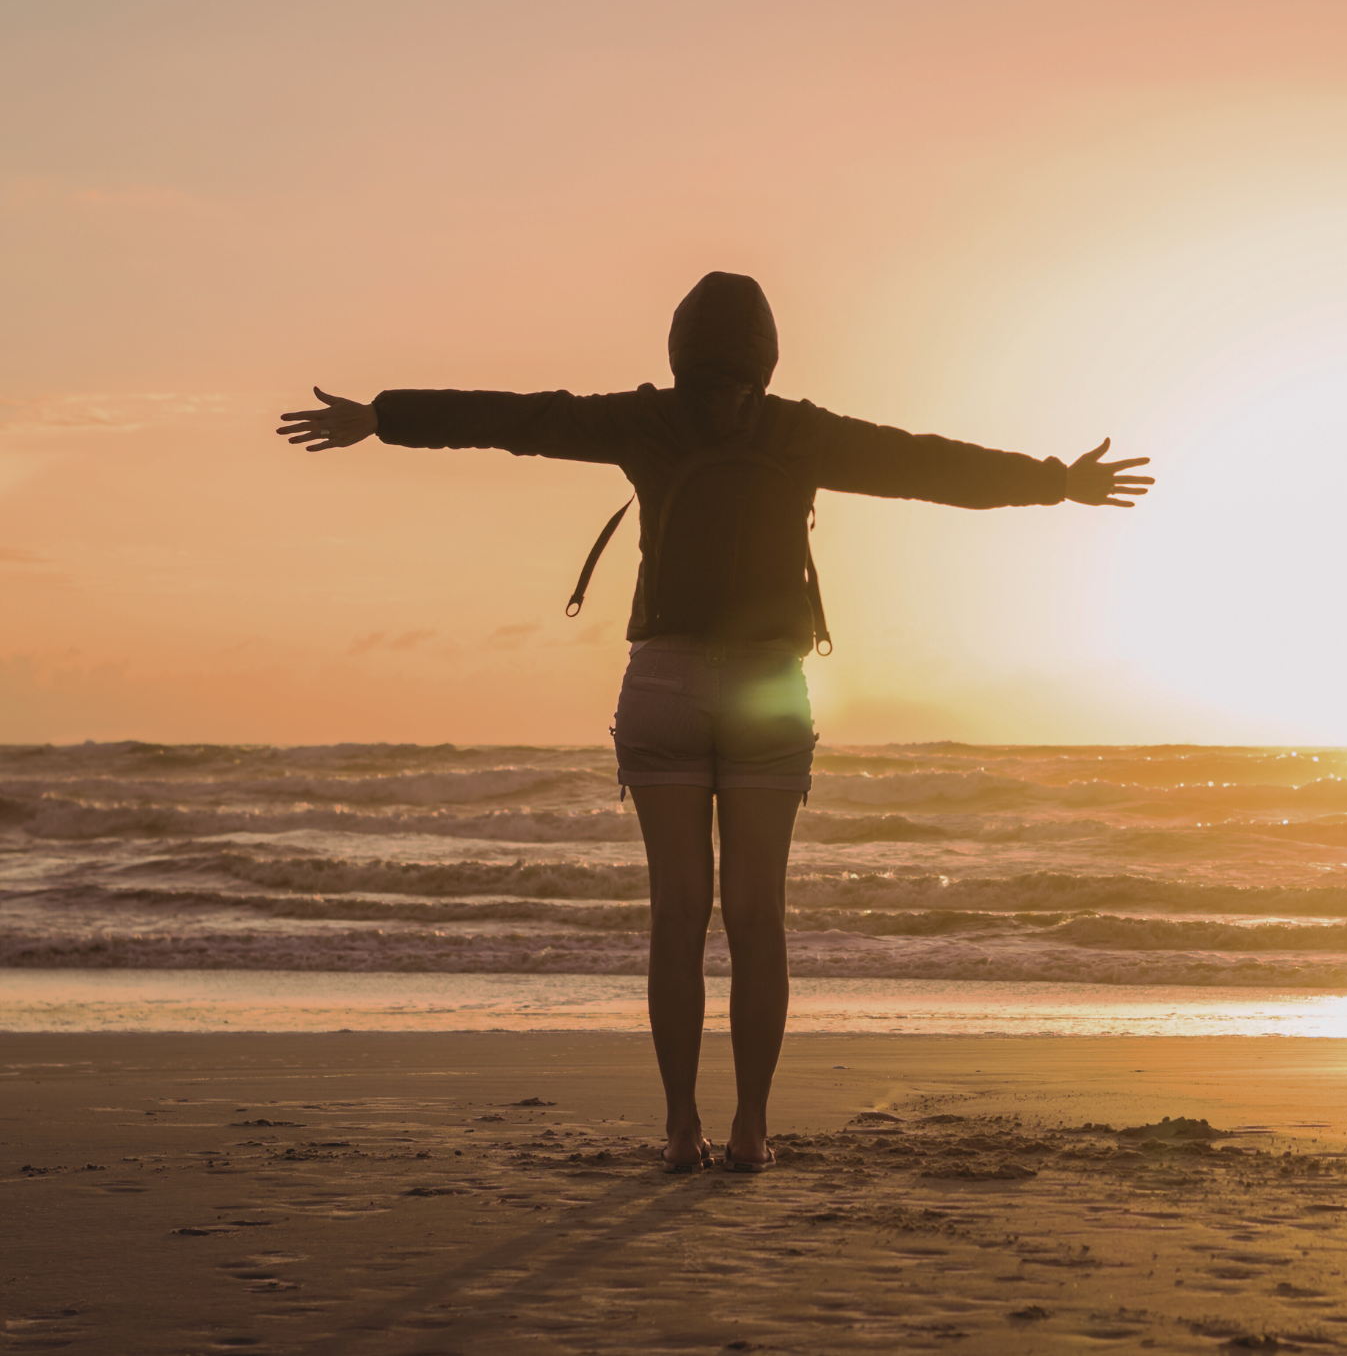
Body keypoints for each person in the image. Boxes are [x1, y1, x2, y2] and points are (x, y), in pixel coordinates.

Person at [275, 271, 1152, 1174]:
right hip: (771, 684)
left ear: (678, 348)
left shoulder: (642, 421)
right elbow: (927, 464)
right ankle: (754, 1130)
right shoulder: (799, 430)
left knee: (678, 915)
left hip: (664, 683)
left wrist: (382, 415)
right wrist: (1059, 483)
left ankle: (681, 1127)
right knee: (757, 917)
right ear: (768, 354)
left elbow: (515, 419)